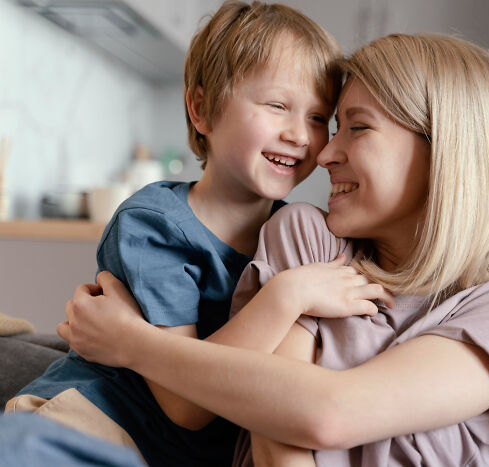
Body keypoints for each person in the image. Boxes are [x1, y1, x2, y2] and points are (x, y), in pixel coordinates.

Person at [58, 33, 489, 466]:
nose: (322, 153)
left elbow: (327, 413)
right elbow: (278, 439)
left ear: (450, 152)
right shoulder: (305, 238)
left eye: (352, 128)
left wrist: (133, 343)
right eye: (333, 126)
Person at [3, 2, 352, 466]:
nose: (301, 135)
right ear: (201, 109)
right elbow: (186, 405)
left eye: (317, 117)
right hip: (86, 424)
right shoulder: (154, 224)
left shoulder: (297, 233)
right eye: (277, 105)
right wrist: (287, 296)